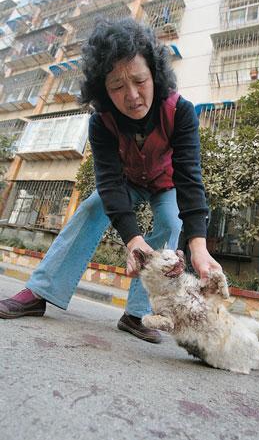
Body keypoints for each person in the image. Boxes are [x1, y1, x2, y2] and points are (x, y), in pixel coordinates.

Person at [0, 18, 222, 343]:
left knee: (171, 222)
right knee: (92, 207)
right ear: (103, 90)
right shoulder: (101, 123)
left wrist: (198, 248)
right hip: (127, 182)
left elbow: (190, 178)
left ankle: (135, 313)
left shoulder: (181, 111)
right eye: (117, 86)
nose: (132, 96)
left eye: (139, 80)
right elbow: (108, 182)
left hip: (166, 183)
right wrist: (133, 240)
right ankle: (40, 291)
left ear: (154, 76)